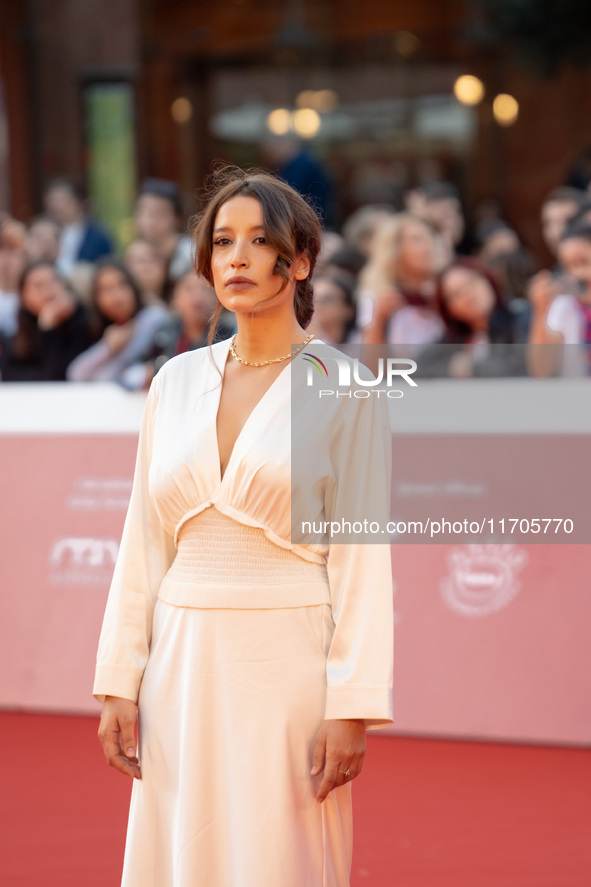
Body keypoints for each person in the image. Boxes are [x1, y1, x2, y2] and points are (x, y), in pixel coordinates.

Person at [93, 168, 394, 887]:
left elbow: (361, 561)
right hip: (180, 662)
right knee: (179, 855)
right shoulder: (174, 382)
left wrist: (351, 703)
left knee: (277, 858)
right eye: (222, 241)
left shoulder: (344, 388)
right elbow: (143, 542)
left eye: (259, 241)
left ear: (299, 261)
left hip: (287, 664)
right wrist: (118, 680)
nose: (236, 257)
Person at [66, 259, 170, 389]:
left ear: (133, 287)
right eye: (106, 289)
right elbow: (75, 374)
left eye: (122, 285)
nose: (116, 296)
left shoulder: (154, 319)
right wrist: (108, 348)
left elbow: (119, 377)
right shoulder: (91, 327)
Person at [416, 258, 529, 378]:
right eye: (457, 293)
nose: (468, 294)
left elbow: (523, 365)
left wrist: (473, 368)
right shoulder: (456, 338)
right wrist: (451, 368)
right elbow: (418, 367)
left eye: (472, 282)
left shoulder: (520, 317)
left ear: (487, 279)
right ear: (449, 310)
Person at [358, 212, 446, 350]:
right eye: (417, 239)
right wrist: (379, 319)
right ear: (394, 248)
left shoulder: (448, 291)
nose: (428, 246)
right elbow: (371, 366)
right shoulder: (376, 296)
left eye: (431, 237)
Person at [0, 259, 93, 381]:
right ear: (23, 296)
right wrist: (46, 326)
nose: (48, 290)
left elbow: (61, 376)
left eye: (54, 281)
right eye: (39, 285)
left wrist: (49, 329)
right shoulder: (16, 333)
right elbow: (11, 375)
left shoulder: (84, 323)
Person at [528, 222, 591, 376]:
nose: (575, 274)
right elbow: (542, 371)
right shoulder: (564, 306)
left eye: (583, 262)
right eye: (567, 266)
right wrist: (541, 309)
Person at [134, 178, 193, 298]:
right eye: (146, 212)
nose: (151, 220)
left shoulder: (192, 255)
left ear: (176, 218)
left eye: (159, 213)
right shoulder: (133, 255)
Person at [44, 177, 113, 275]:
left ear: (78, 201)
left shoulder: (98, 236)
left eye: (62, 200)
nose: (57, 206)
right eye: (53, 201)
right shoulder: (45, 234)